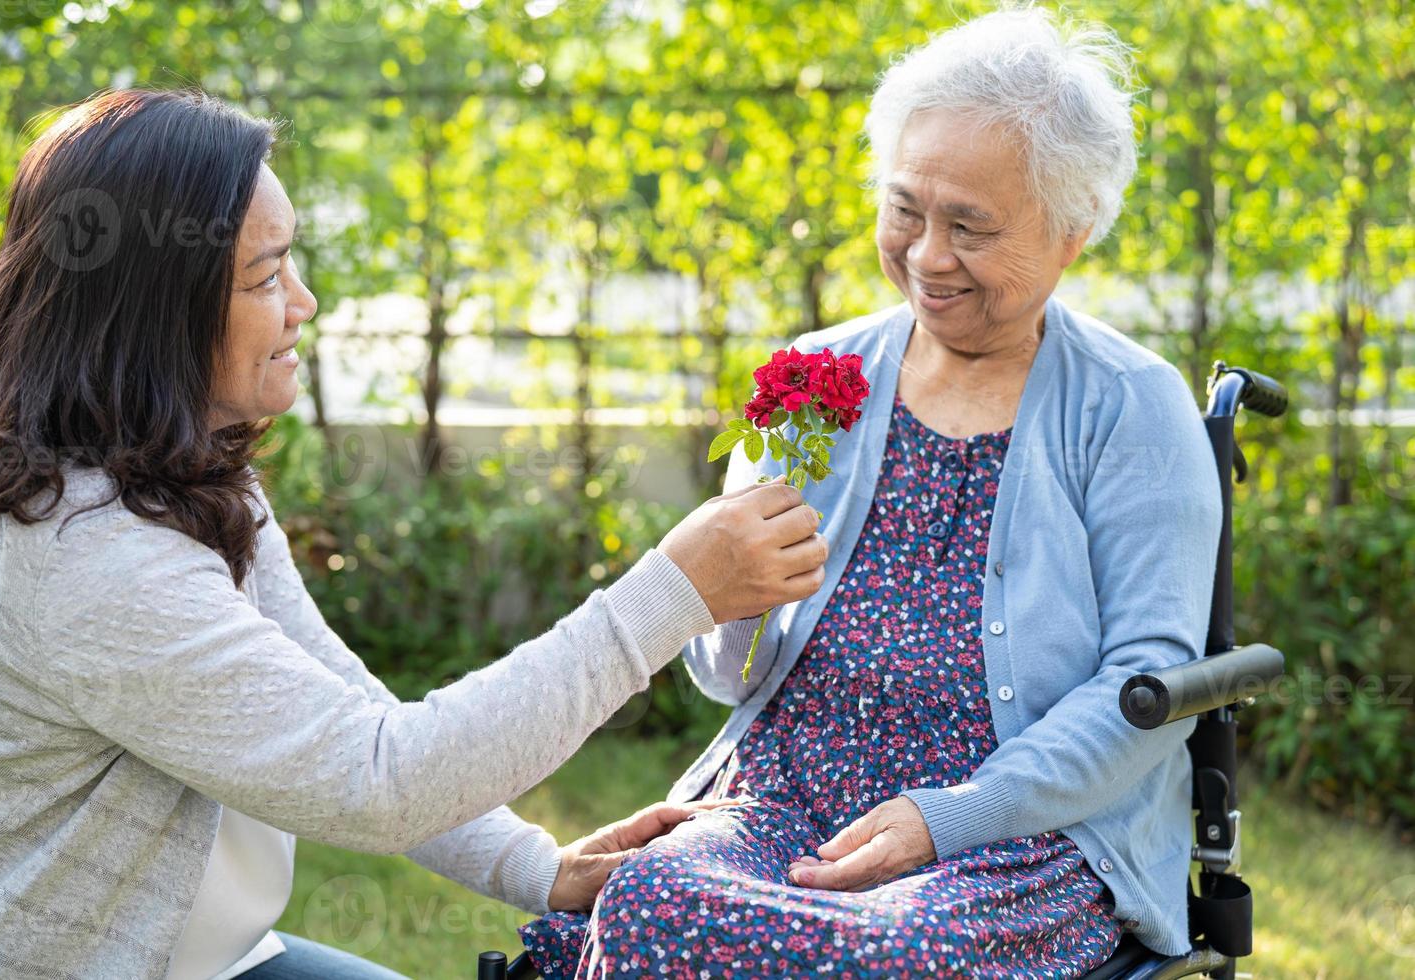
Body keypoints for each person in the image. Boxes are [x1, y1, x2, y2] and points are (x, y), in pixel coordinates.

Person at [0, 88, 829, 979]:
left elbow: (352, 716)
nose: (305, 301)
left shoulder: (181, 479)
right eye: (264, 276)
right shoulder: (86, 558)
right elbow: (379, 781)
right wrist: (670, 595)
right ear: (151, 311)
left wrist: (540, 869)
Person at [520, 7, 1221, 977]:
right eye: (906, 210)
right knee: (653, 894)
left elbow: (1150, 681)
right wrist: (726, 592)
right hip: (785, 791)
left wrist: (949, 814)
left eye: (970, 226)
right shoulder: (814, 376)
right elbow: (728, 675)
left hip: (1017, 824)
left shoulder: (1131, 404)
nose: (929, 256)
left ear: (1073, 231)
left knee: (904, 952)